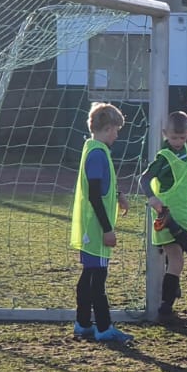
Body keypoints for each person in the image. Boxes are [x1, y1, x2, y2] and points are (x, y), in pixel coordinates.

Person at [70, 102, 132, 343]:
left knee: (89, 276)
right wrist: (108, 229)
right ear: (107, 128)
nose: (117, 135)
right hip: (96, 228)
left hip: (92, 227)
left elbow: (103, 186)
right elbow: (94, 195)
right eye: (116, 130)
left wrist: (119, 195)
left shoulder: (94, 148)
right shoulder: (97, 153)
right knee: (98, 278)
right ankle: (104, 328)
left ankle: (83, 323)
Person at [140, 111, 187, 322]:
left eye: (182, 138)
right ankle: (166, 306)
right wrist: (152, 198)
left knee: (180, 259)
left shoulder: (184, 148)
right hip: (169, 211)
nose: (177, 142)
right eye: (173, 138)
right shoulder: (164, 157)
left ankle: (167, 303)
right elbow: (144, 178)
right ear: (164, 133)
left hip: (180, 212)